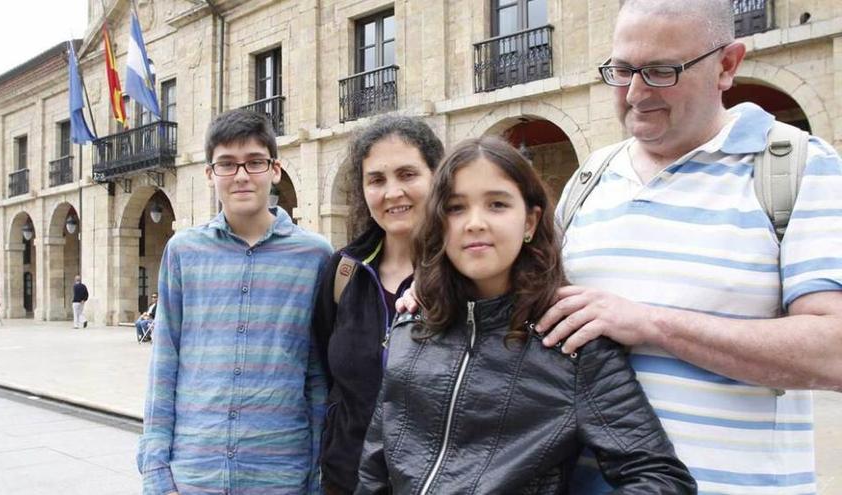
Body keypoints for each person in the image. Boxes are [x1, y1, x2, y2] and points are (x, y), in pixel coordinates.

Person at [525, 1, 842, 492]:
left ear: (727, 65)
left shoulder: (800, 169)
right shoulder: (590, 177)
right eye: (623, 70)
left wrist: (652, 324)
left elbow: (834, 353)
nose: (634, 92)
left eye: (659, 71)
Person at [357, 136, 696, 494]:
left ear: (530, 221)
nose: (475, 223)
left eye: (497, 204)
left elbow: (661, 478)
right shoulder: (412, 326)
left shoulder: (571, 343)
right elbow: (375, 468)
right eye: (456, 208)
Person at [136, 109, 332, 495]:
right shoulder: (183, 251)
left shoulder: (315, 256)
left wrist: (315, 477)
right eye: (227, 164)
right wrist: (156, 471)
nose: (241, 175)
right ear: (210, 174)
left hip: (280, 477)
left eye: (255, 162)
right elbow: (165, 363)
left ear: (274, 169)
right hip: (195, 475)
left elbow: (317, 375)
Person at [312, 116, 444, 495]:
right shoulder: (343, 272)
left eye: (407, 174)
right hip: (346, 480)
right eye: (377, 179)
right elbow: (326, 371)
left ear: (437, 177)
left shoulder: (465, 276)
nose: (392, 192)